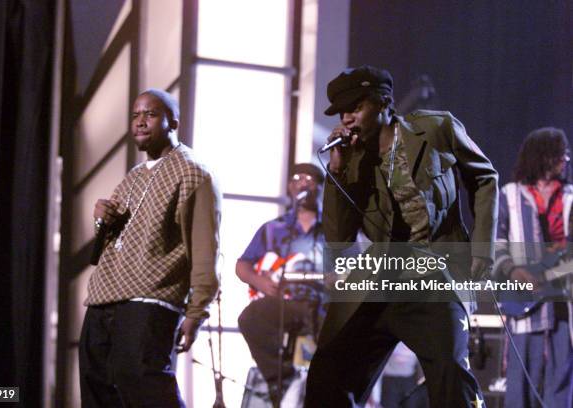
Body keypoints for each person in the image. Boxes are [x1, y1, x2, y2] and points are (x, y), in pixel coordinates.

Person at [304, 65, 499, 407]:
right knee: (327, 375)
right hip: (379, 277)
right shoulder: (349, 160)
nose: (347, 119)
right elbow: (339, 236)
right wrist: (337, 172)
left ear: (383, 103)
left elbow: (485, 178)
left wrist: (482, 250)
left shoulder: (437, 129)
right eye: (342, 112)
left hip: (436, 273)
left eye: (356, 108)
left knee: (451, 375)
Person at [78, 89, 221, 407]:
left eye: (151, 114)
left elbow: (205, 250)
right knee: (97, 391)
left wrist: (196, 312)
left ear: (174, 123)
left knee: (147, 391)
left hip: (149, 300)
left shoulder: (193, 172)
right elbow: (109, 247)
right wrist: (102, 219)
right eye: (136, 115)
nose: (140, 122)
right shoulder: (132, 177)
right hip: (103, 300)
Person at [492, 127, 573, 408]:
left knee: (561, 382)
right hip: (524, 301)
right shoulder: (510, 195)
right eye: (559, 154)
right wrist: (514, 271)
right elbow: (497, 241)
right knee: (521, 383)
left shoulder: (571, 196)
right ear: (543, 156)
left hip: (564, 301)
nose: (565, 159)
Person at [237, 163, 326, 407]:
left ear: (321, 188)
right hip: (285, 303)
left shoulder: (335, 230)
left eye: (311, 179)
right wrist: (259, 281)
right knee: (250, 318)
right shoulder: (273, 228)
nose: (304, 182)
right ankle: (282, 381)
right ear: (290, 187)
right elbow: (242, 265)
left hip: (323, 307)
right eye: (298, 177)